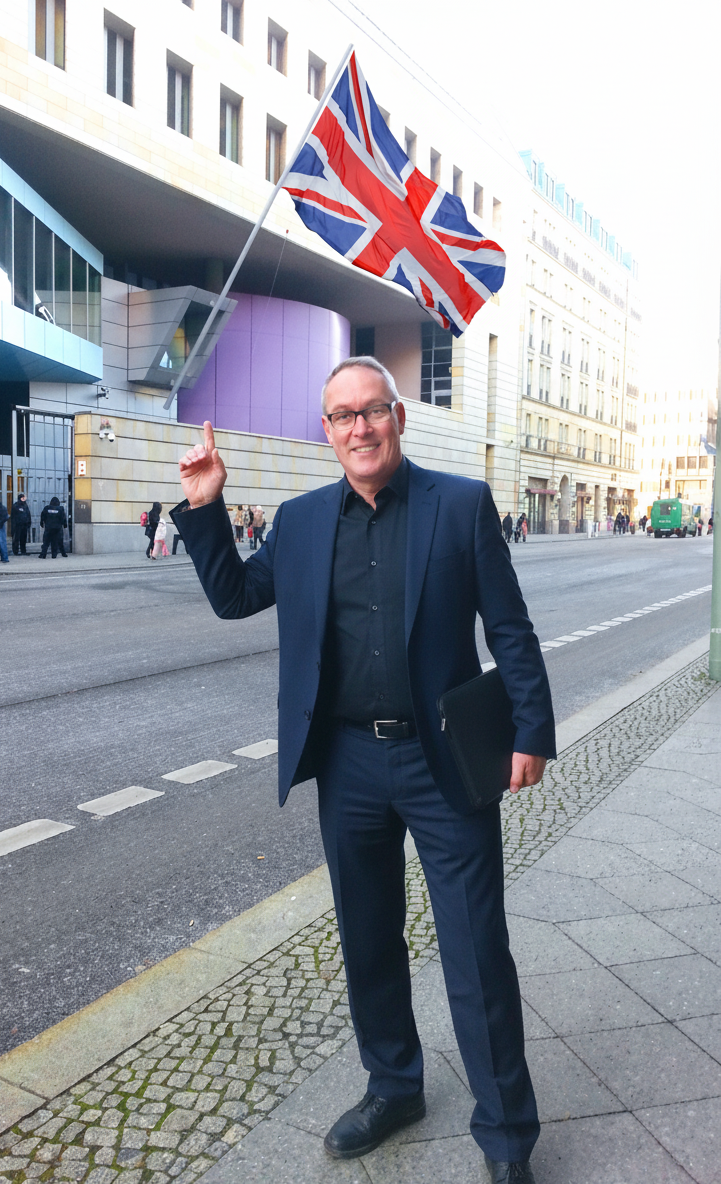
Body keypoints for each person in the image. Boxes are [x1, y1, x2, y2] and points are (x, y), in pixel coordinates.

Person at [172, 357, 555, 1184]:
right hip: (347, 763)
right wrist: (205, 508)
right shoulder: (304, 522)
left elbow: (512, 630)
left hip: (443, 759)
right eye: (342, 416)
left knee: (476, 947)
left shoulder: (459, 506)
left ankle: (507, 1138)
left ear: (398, 418)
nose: (359, 428)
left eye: (373, 411)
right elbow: (236, 596)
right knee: (368, 938)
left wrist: (532, 731)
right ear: (328, 431)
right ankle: (394, 1086)